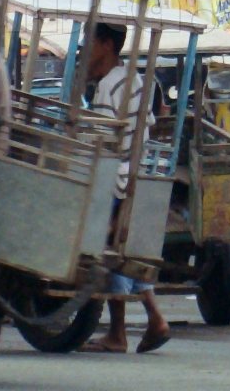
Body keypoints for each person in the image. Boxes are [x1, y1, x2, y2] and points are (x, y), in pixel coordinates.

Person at [78, 22, 170, 354]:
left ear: (105, 44)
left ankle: (118, 332)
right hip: (137, 174)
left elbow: (102, 143)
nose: (83, 51)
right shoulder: (137, 81)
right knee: (126, 250)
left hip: (115, 179)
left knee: (108, 248)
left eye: (88, 43)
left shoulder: (108, 89)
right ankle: (154, 319)